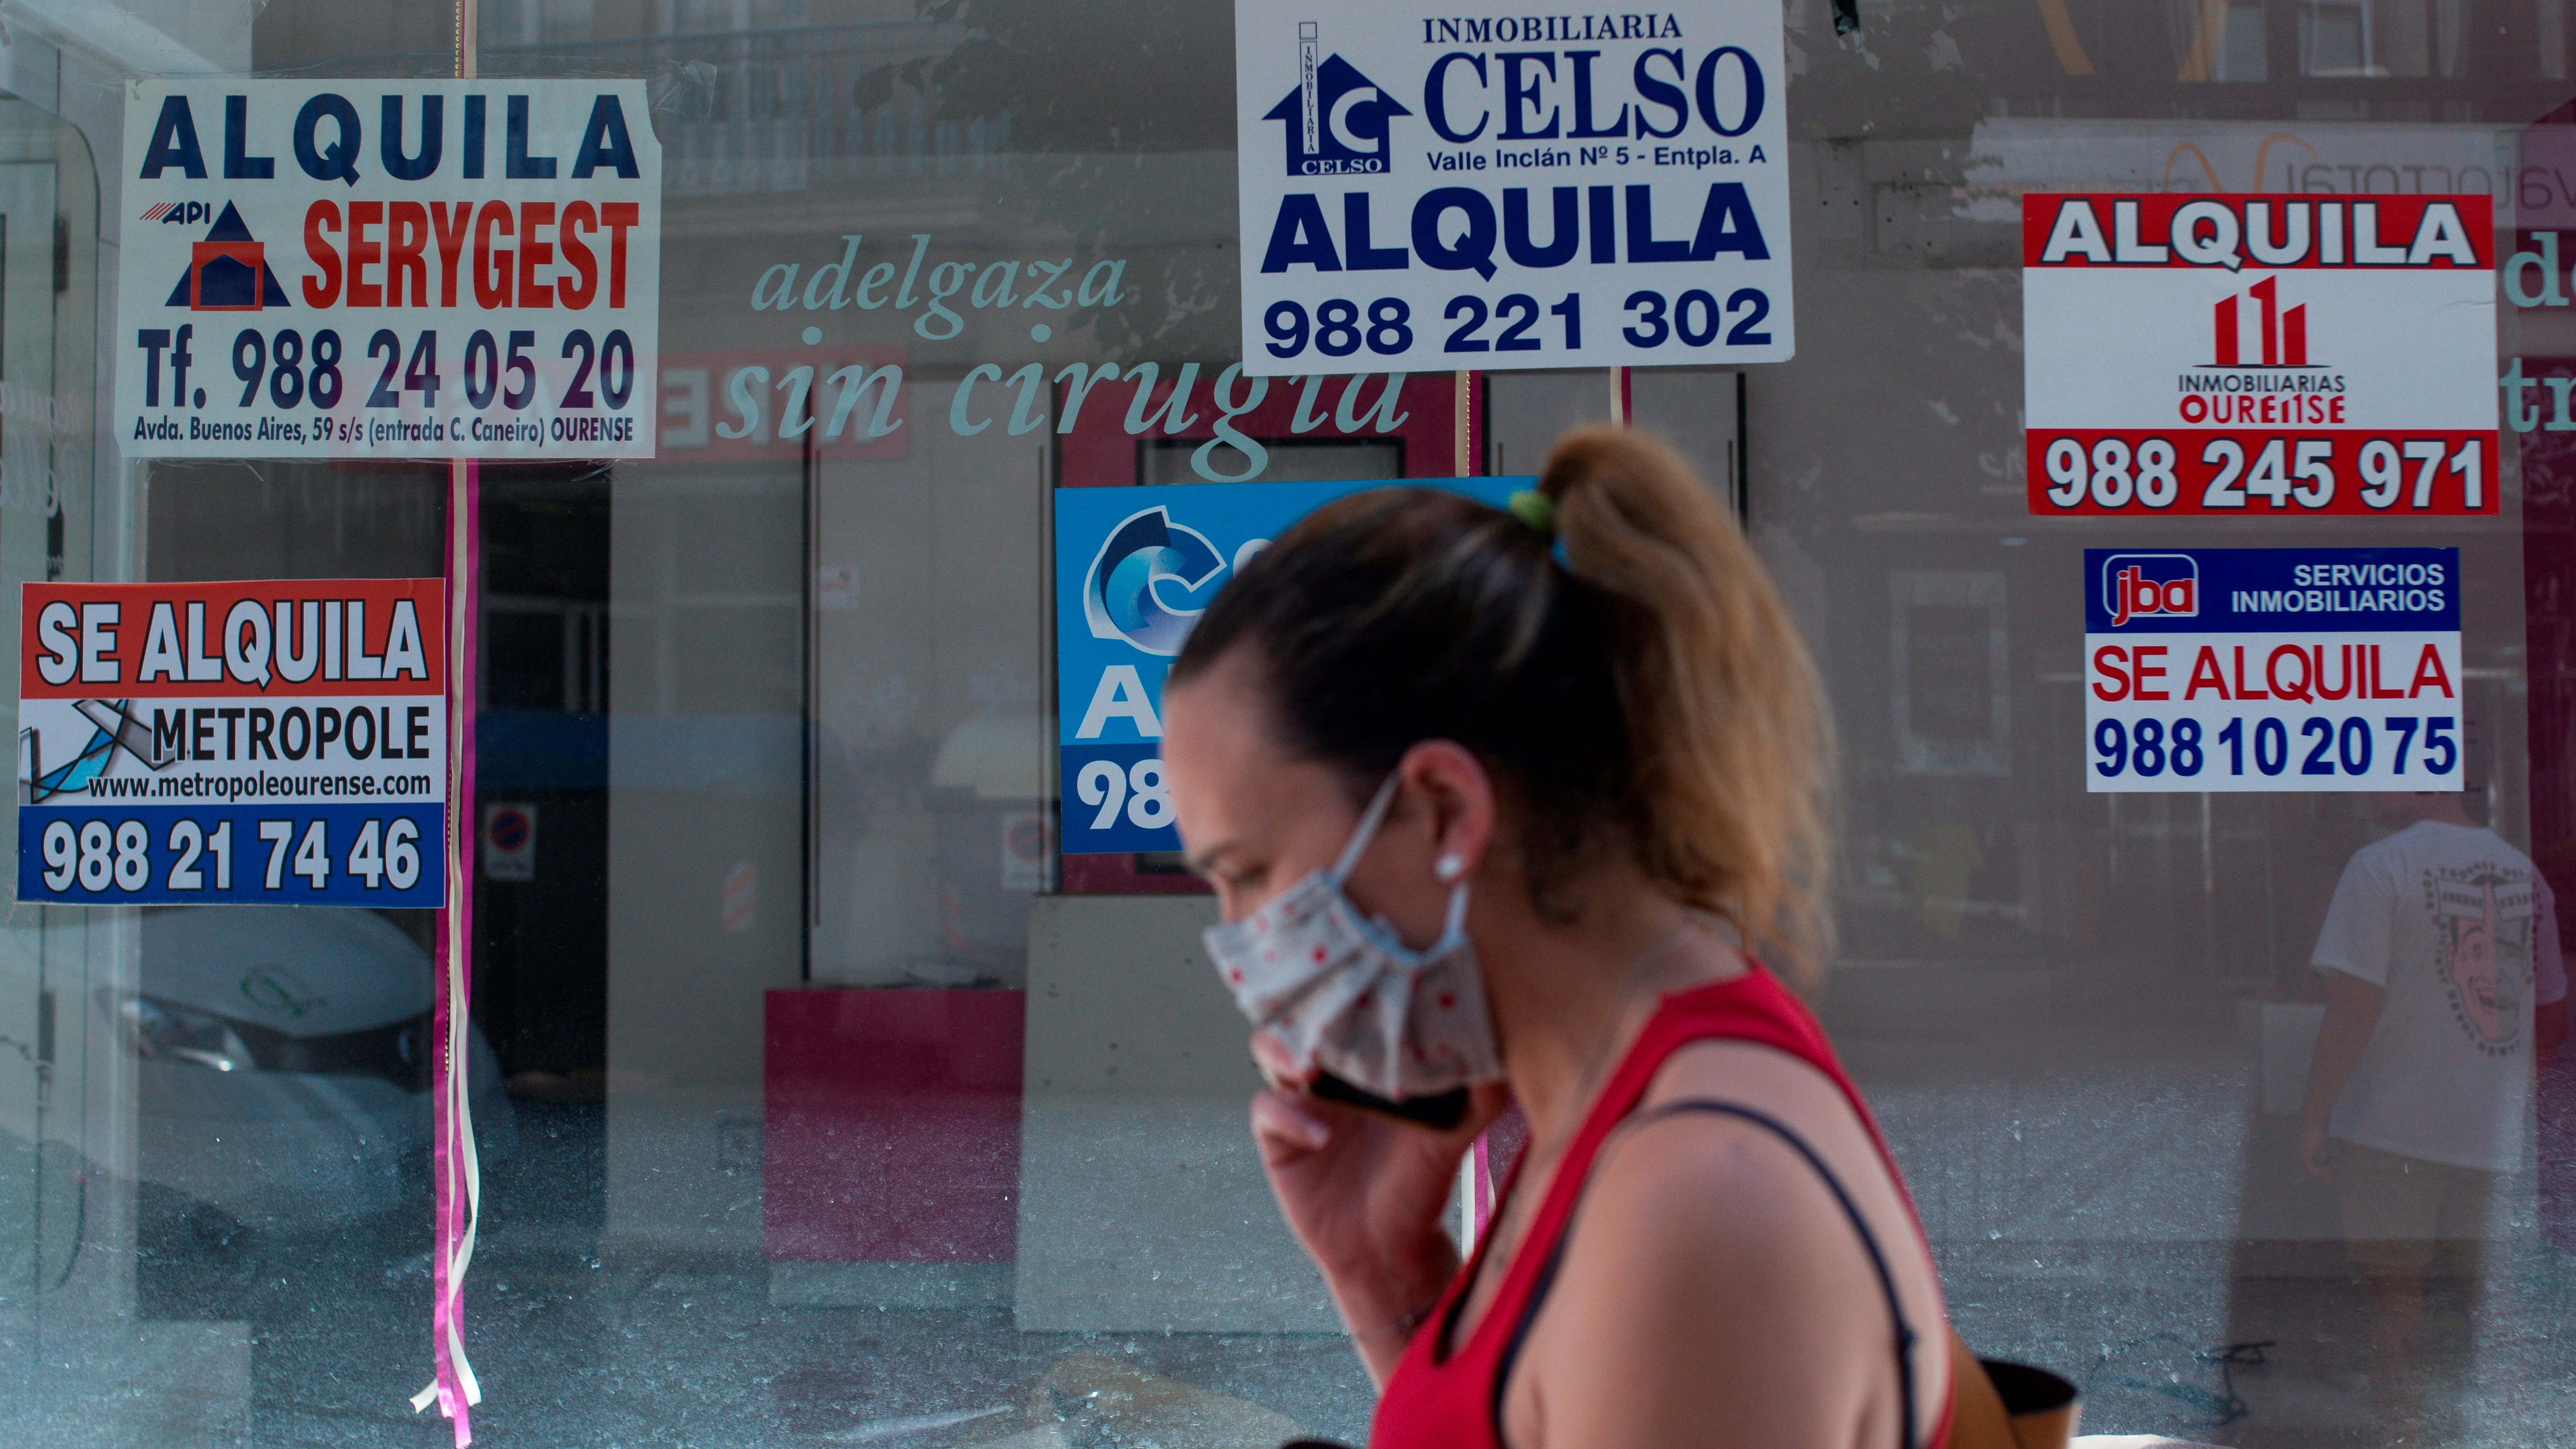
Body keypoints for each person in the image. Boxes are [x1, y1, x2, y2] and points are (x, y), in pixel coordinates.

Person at [1158, 428, 1953, 1449]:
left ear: (1445, 808)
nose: (1238, 935)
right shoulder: (1612, 1109)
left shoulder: (1691, 1198)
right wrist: (1383, 1271)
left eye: (1248, 870)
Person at [2295, 790, 2569, 1441]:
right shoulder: (2523, 873)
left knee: (2396, 1306)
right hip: (2489, 1140)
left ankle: (2406, 1437)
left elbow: (2355, 1002)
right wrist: (2509, 1099)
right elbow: (2552, 1009)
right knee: (2495, 1310)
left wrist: (2313, 1116)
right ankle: (2512, 1435)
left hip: (2392, 1134)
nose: (2364, 791)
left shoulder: (2381, 865)